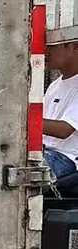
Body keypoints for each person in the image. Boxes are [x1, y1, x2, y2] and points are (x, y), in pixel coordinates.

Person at [44, 39, 78, 180]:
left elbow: (64, 130)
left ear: (75, 46)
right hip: (45, 151)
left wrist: (19, 120)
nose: (46, 51)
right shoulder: (54, 86)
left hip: (67, 159)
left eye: (53, 46)